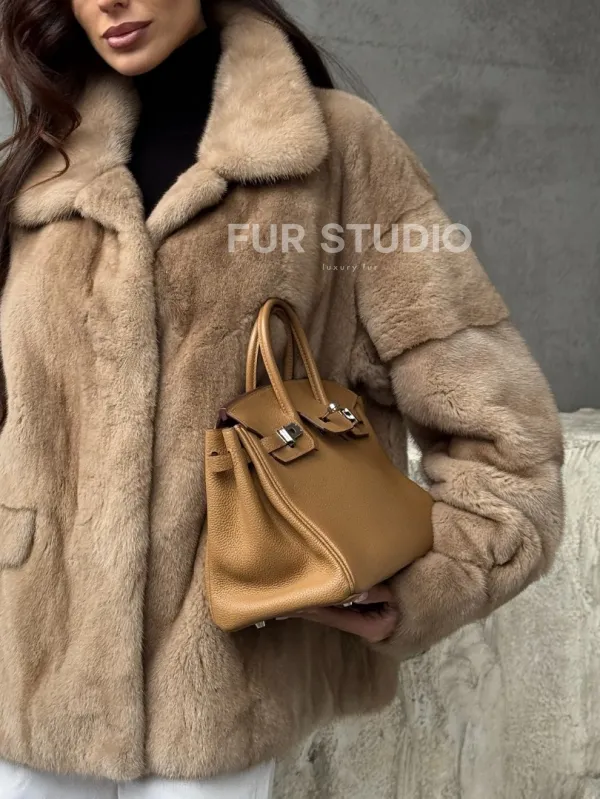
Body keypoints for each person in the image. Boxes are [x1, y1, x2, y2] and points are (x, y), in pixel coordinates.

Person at [0, 0, 565, 796]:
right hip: (28, 665)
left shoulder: (341, 152)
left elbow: (505, 434)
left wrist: (426, 582)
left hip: (222, 671)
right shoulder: (45, 161)